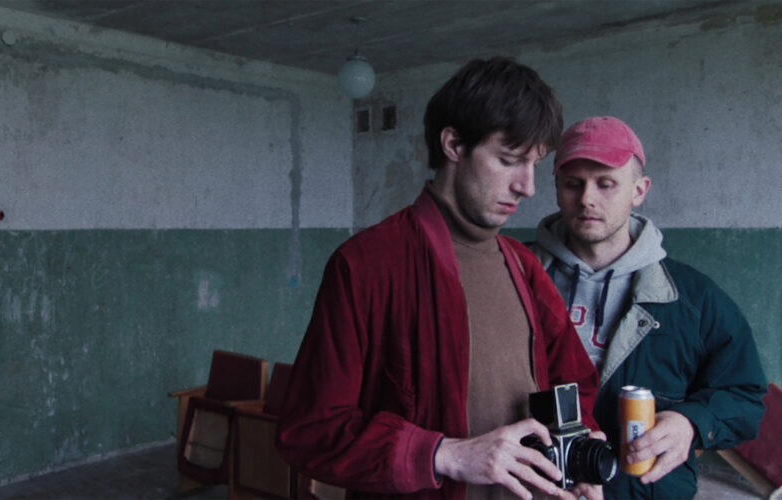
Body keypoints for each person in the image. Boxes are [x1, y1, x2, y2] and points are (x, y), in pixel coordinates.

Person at [276, 57, 605, 500]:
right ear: (453, 144)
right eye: (509, 160)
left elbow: (576, 384)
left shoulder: (525, 267)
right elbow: (311, 430)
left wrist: (582, 446)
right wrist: (442, 455)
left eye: (534, 165)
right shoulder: (367, 264)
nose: (527, 187)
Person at [529, 116, 767, 499]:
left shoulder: (692, 298)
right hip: (536, 490)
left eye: (606, 184)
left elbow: (745, 395)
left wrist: (691, 423)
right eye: (573, 184)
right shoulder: (513, 278)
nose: (587, 198)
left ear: (639, 190)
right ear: (557, 188)